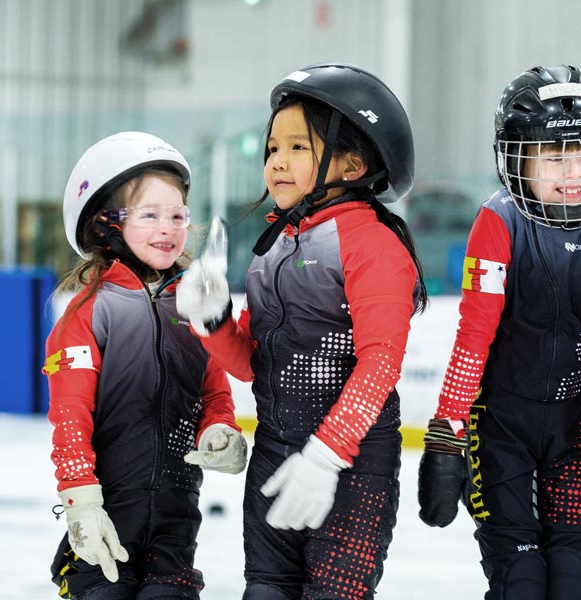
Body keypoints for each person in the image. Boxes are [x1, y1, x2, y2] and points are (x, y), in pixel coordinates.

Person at [175, 62, 428, 599]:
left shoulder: (373, 244)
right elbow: (251, 361)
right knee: (265, 589)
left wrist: (326, 455)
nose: (277, 162)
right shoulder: (274, 248)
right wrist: (212, 321)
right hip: (274, 450)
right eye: (272, 150)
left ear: (353, 164)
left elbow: (380, 364)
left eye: (297, 147)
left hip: (353, 467)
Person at [416, 64, 581, 600]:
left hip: (573, 427)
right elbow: (475, 333)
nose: (574, 170)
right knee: (519, 577)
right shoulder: (497, 222)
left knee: (570, 576)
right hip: (498, 426)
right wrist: (445, 432)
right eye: (553, 156)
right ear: (518, 162)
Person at [45, 131, 246, 599]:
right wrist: (80, 501)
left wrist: (219, 430)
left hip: (176, 521)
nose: (168, 228)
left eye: (177, 215)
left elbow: (213, 390)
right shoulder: (87, 313)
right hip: (106, 517)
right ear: (105, 226)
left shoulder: (197, 306)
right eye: (150, 215)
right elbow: (70, 416)